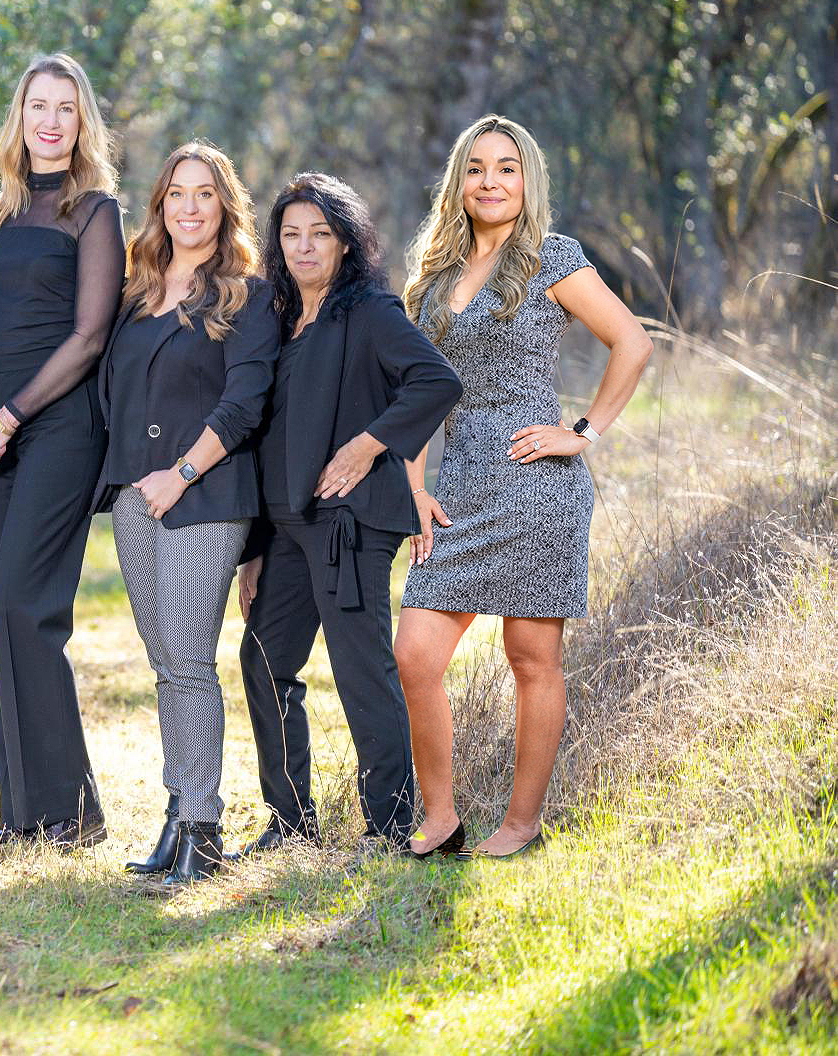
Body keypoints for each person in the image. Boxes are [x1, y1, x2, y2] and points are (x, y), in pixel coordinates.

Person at [396, 115, 653, 859]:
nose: (490, 182)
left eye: (506, 168)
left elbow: (632, 342)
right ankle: (441, 818)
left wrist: (583, 432)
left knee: (532, 659)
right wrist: (413, 487)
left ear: (526, 179)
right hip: (456, 488)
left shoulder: (551, 258)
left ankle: (521, 822)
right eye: (476, 168)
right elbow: (417, 393)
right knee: (415, 654)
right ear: (459, 182)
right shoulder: (434, 276)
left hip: (536, 485)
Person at [235, 172, 461, 854]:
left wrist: (368, 445)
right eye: (291, 234)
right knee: (263, 662)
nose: (304, 247)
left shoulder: (369, 311)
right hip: (286, 525)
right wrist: (255, 548)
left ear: (345, 243)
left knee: (361, 670)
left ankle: (390, 825)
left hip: (350, 524)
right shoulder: (279, 318)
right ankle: (290, 823)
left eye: (320, 234)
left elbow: (436, 381)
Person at [0, 53, 124, 849]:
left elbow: (88, 338)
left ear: (82, 123)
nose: (50, 122)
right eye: (37, 107)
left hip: (58, 426)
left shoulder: (94, 213)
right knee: (5, 614)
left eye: (65, 108)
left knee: (29, 604)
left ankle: (76, 812)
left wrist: (11, 417)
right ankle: (21, 815)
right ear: (18, 118)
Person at [99, 142, 280, 884]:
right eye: (177, 193)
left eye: (205, 193)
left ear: (225, 205)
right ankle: (178, 813)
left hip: (206, 490)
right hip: (133, 495)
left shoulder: (248, 296)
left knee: (189, 652)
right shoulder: (135, 291)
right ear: (160, 204)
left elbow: (244, 403)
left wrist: (180, 474)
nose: (189, 207)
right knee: (165, 662)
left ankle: (204, 829)